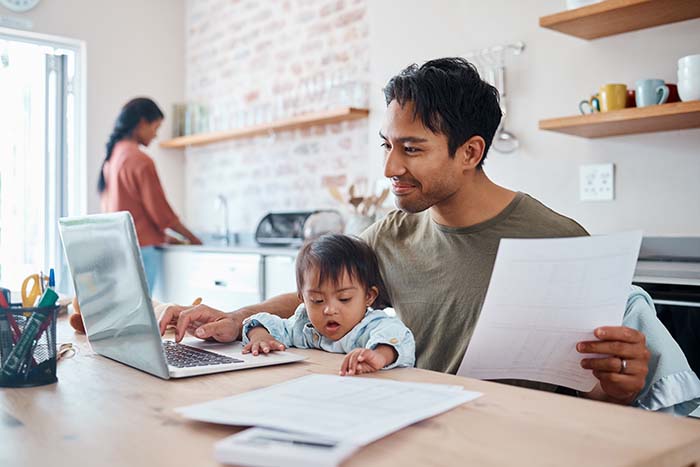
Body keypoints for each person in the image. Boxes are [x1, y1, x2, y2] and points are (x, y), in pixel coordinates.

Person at [159, 59, 700, 415]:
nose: (391, 166)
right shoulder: (391, 234)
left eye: (412, 149)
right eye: (386, 145)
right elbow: (320, 292)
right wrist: (234, 319)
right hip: (413, 429)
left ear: (470, 152)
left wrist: (620, 387)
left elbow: (602, 396)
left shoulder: (558, 241)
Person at [240, 234, 415, 375]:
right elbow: (265, 323)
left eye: (344, 298)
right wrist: (260, 336)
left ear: (369, 296)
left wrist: (378, 356)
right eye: (317, 300)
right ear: (302, 298)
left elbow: (397, 337)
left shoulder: (372, 326)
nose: (329, 310)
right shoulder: (305, 327)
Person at [99, 97, 201, 293]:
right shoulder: (140, 160)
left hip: (118, 248)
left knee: (129, 314)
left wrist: (163, 236)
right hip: (141, 251)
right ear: (142, 123)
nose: (155, 135)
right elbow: (162, 214)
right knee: (146, 313)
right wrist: (194, 239)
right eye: (156, 127)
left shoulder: (112, 158)